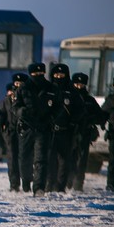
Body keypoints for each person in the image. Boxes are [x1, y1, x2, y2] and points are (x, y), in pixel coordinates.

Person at [15, 62, 56, 196]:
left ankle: (39, 187)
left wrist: (52, 119)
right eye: (35, 74)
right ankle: (26, 181)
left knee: (41, 159)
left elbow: (59, 107)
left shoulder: (51, 88)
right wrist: (22, 112)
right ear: (30, 74)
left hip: (43, 128)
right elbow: (15, 107)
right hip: (27, 128)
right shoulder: (23, 88)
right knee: (25, 158)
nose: (38, 76)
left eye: (40, 74)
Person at [45, 63, 84, 193]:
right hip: (50, 131)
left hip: (66, 131)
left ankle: (61, 186)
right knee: (49, 159)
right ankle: (50, 184)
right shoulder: (48, 89)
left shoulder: (72, 91)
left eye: (61, 75)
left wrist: (73, 122)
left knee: (64, 160)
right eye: (56, 75)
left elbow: (80, 109)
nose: (59, 77)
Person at [70, 72, 107, 192]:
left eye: (81, 84)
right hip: (69, 134)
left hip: (84, 134)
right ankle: (67, 183)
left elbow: (100, 116)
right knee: (68, 159)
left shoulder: (89, 100)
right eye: (76, 84)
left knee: (81, 161)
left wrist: (91, 119)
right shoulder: (68, 96)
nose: (79, 86)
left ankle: (78, 184)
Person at [0, 74, 26, 192]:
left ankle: (26, 182)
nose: (18, 86)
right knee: (12, 159)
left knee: (24, 158)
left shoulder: (26, 98)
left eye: (21, 83)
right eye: (16, 84)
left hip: (24, 132)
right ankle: (14, 184)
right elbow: (1, 114)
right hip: (10, 132)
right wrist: (2, 126)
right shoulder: (6, 101)